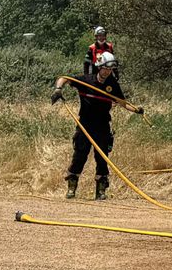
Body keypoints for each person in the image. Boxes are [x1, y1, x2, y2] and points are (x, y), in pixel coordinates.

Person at [51, 54, 140, 200]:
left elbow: (123, 103)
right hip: (85, 124)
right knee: (80, 155)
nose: (108, 72)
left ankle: (101, 191)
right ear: (99, 67)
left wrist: (137, 110)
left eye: (110, 69)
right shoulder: (86, 80)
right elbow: (64, 78)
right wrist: (58, 89)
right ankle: (71, 189)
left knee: (102, 158)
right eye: (105, 68)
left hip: (103, 126)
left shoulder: (112, 85)